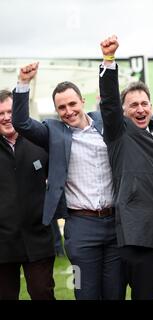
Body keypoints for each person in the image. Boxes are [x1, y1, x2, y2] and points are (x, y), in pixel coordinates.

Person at [12, 63, 153, 300]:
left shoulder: (108, 124)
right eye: (61, 107)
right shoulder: (52, 132)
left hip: (116, 225)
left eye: (72, 104)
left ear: (83, 101)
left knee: (115, 293)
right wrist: (23, 83)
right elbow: (21, 123)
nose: (68, 111)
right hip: (81, 227)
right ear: (56, 111)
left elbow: (150, 117)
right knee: (86, 293)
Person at [98, 35, 153, 300]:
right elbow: (110, 101)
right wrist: (109, 59)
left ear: (151, 107)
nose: (140, 109)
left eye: (144, 104)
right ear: (123, 111)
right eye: (133, 105)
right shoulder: (117, 133)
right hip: (138, 236)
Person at [0, 90, 55, 300]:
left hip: (38, 239)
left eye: (10, 111)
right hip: (2, 244)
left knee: (43, 294)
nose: (6, 117)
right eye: (1, 113)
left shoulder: (40, 141)